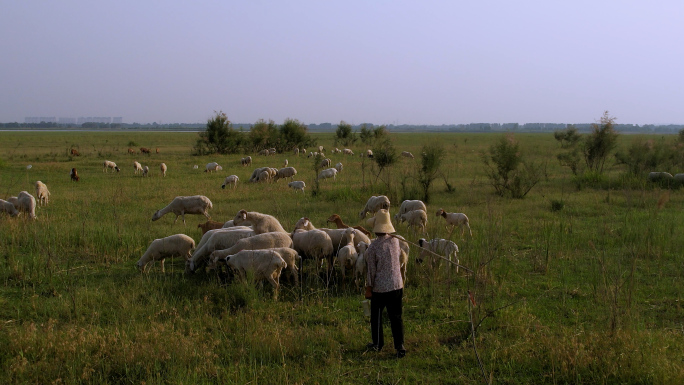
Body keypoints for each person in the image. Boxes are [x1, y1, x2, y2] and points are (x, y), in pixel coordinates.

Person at [364, 209, 406, 358]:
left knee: (377, 315)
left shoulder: (373, 247)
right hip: (396, 285)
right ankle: (400, 346)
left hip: (381, 288)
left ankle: (377, 343)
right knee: (396, 316)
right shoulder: (395, 241)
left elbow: (371, 271)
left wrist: (369, 288)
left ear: (375, 227)